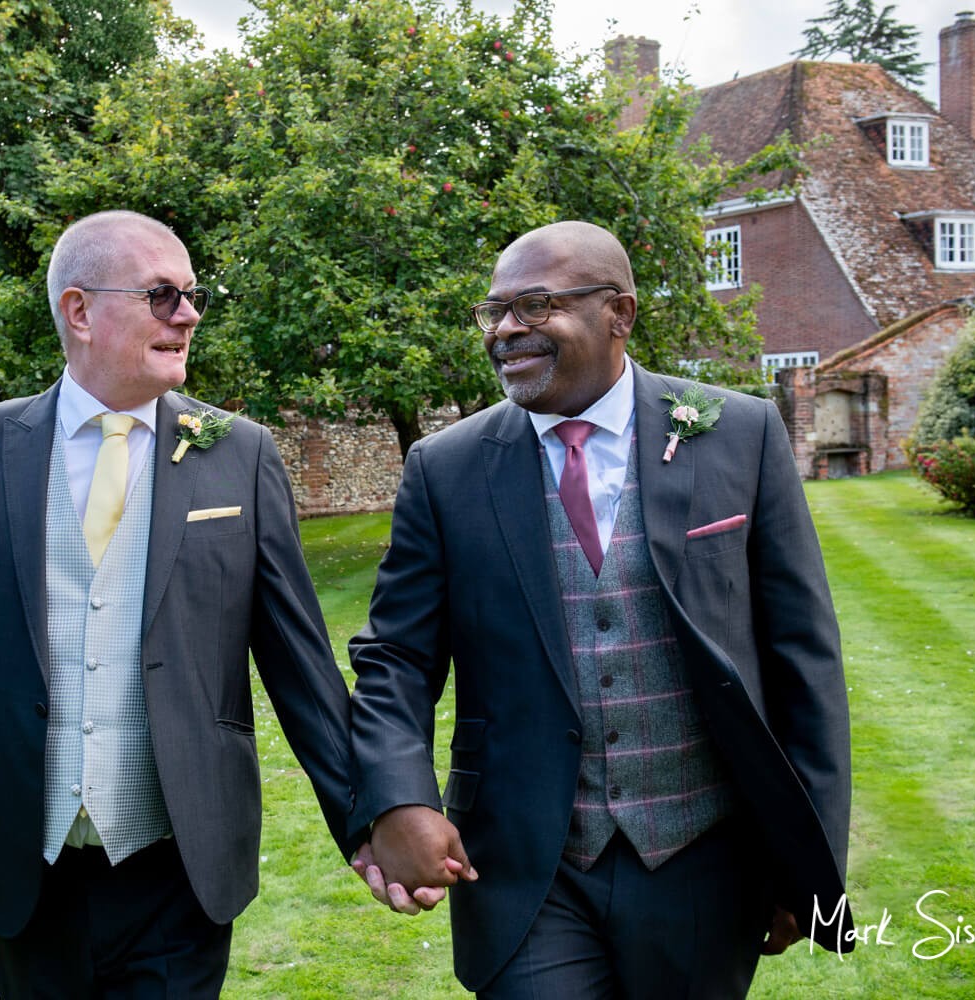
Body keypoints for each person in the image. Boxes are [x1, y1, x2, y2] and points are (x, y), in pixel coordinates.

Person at [348, 220, 852, 996]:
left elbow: (803, 658)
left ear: (619, 313)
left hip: (704, 856)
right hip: (524, 865)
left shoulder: (739, 434)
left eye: (535, 305)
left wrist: (809, 866)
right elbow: (397, 660)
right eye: (494, 311)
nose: (505, 329)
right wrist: (397, 797)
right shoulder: (445, 469)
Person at [0, 210, 362, 997]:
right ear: (79, 311)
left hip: (179, 866)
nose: (189, 316)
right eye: (162, 295)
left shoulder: (238, 453)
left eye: (193, 295)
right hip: (20, 863)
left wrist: (369, 822)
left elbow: (301, 666)